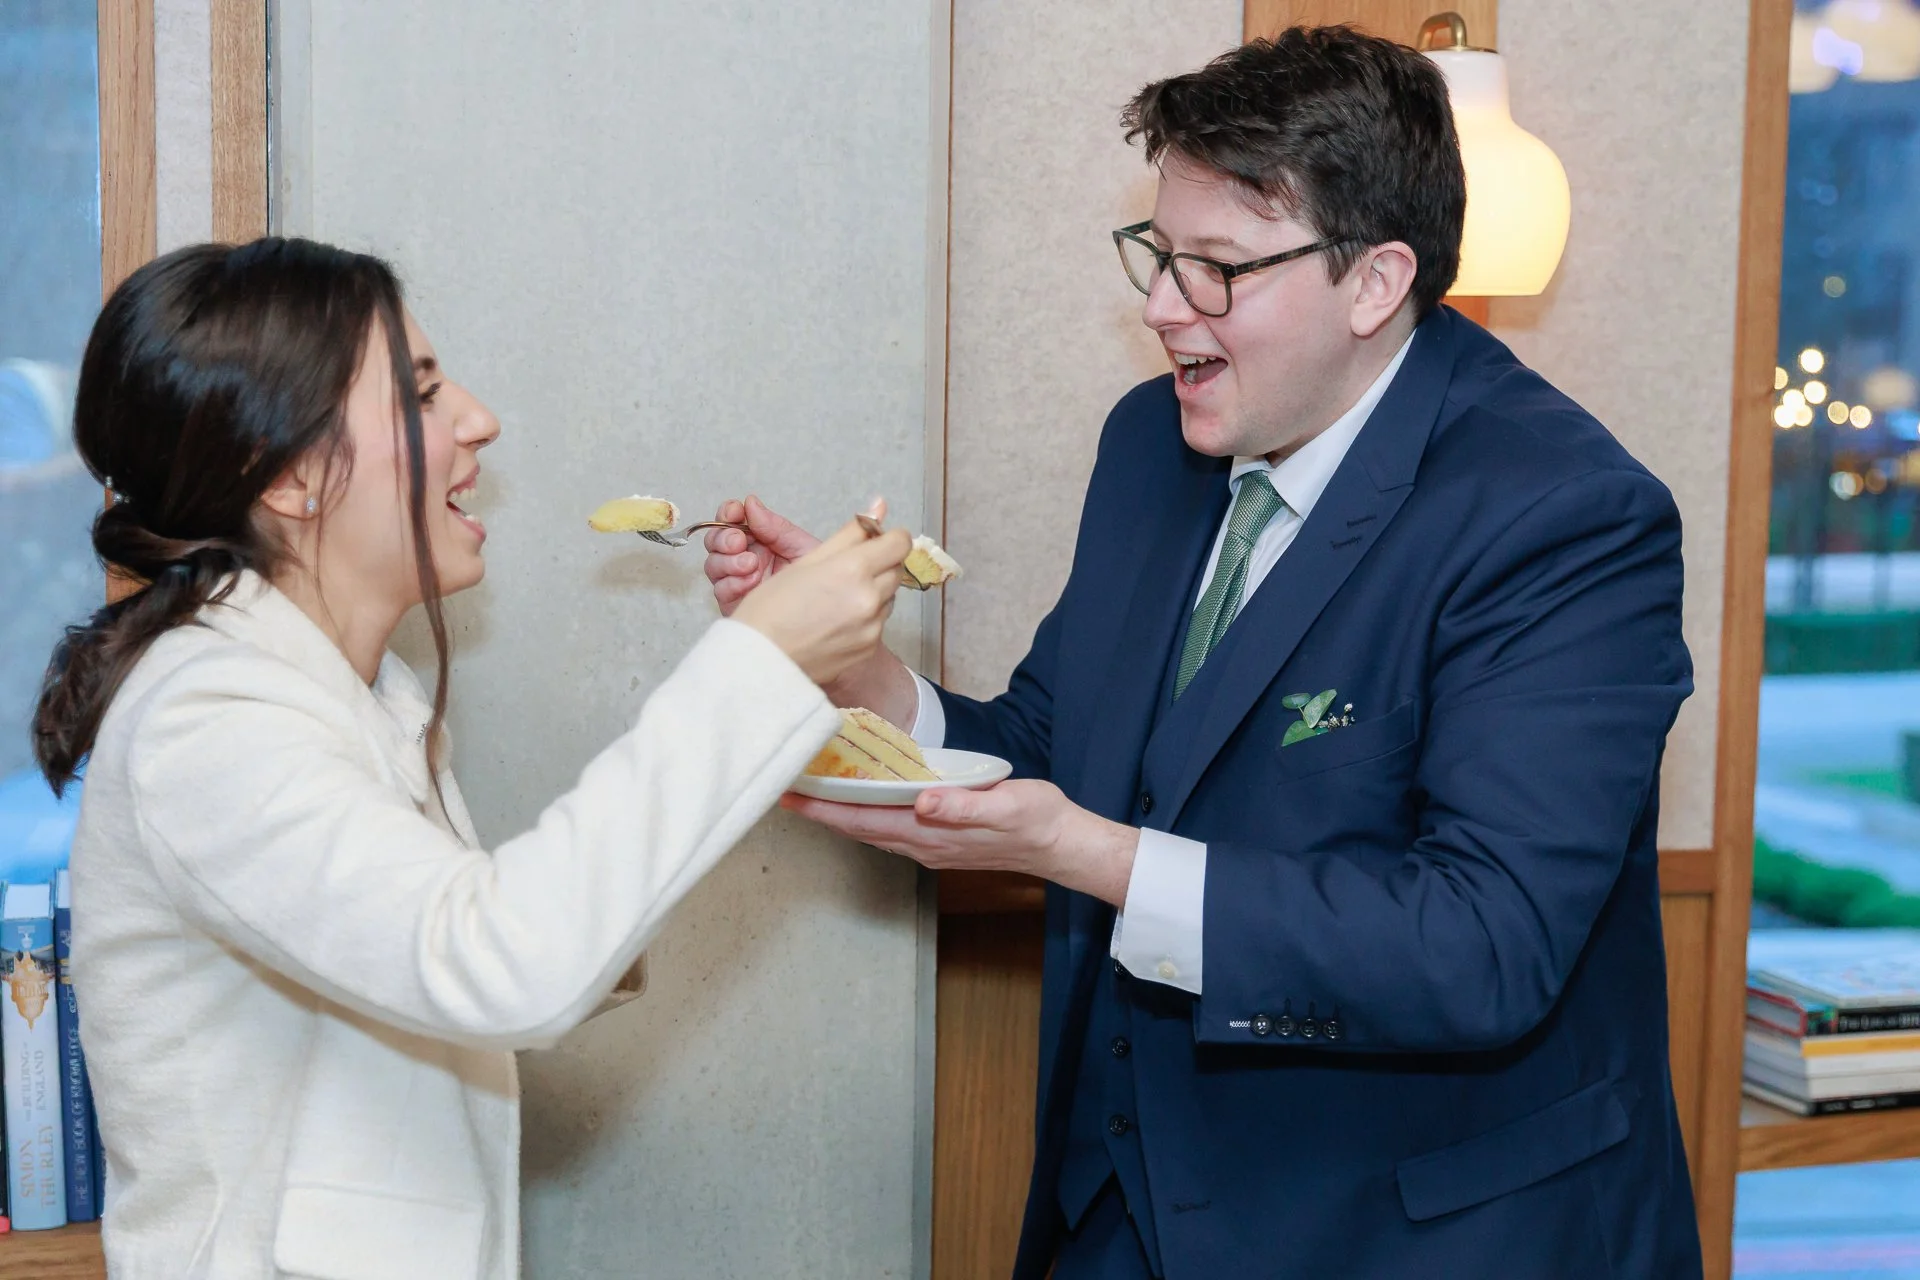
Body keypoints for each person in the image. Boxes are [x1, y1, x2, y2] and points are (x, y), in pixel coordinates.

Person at [705, 26, 1702, 1280]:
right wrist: (857, 674)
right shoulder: (1150, 448)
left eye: (1218, 268)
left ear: (1376, 281)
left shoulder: (1559, 514)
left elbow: (1481, 942)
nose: (1162, 306)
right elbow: (1057, 746)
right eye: (1159, 256)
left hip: (1421, 1234)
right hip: (1126, 1206)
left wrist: (1085, 850)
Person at [33, 237, 910, 1279]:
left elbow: (467, 955)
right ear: (294, 476)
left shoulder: (350, 692)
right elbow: (498, 962)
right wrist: (761, 656)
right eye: (424, 392)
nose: (479, 420)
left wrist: (769, 668)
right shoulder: (209, 719)